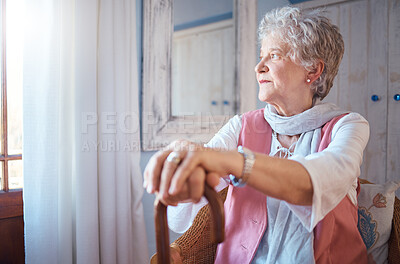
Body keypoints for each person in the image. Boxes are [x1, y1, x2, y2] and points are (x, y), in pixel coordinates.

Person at [144, 6, 369, 264]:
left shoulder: (349, 126)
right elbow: (192, 196)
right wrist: (182, 176)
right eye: (261, 56)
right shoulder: (241, 126)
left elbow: (314, 184)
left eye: (273, 55)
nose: (259, 67)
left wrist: (230, 161)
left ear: (313, 70)